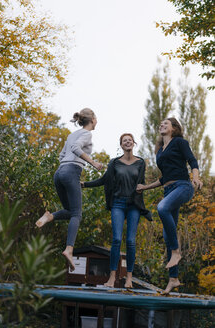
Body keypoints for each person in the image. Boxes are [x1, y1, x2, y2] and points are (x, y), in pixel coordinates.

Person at [136, 118, 203, 294]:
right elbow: (164, 178)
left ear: (174, 128)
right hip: (169, 190)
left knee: (162, 208)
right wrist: (145, 187)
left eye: (166, 123)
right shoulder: (160, 151)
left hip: (183, 186)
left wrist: (195, 177)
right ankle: (173, 279)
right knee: (167, 236)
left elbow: (192, 161)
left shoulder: (180, 142)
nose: (161, 125)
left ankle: (176, 252)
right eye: (161, 124)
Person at [35, 108, 103, 271]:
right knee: (76, 214)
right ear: (92, 119)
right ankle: (69, 249)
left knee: (69, 210)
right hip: (70, 171)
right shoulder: (87, 134)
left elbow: (61, 156)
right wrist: (93, 163)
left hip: (59, 173)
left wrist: (67, 171)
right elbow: (75, 148)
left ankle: (49, 216)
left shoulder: (72, 134)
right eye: (97, 118)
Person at [82, 133, 152, 288]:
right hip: (118, 204)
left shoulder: (141, 163)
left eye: (129, 140)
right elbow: (103, 180)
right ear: (121, 145)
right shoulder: (114, 163)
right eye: (124, 141)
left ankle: (128, 278)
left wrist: (143, 189)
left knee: (131, 241)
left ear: (134, 143)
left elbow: (141, 184)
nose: (127, 142)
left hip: (133, 205)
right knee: (116, 240)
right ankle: (112, 277)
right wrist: (85, 184)